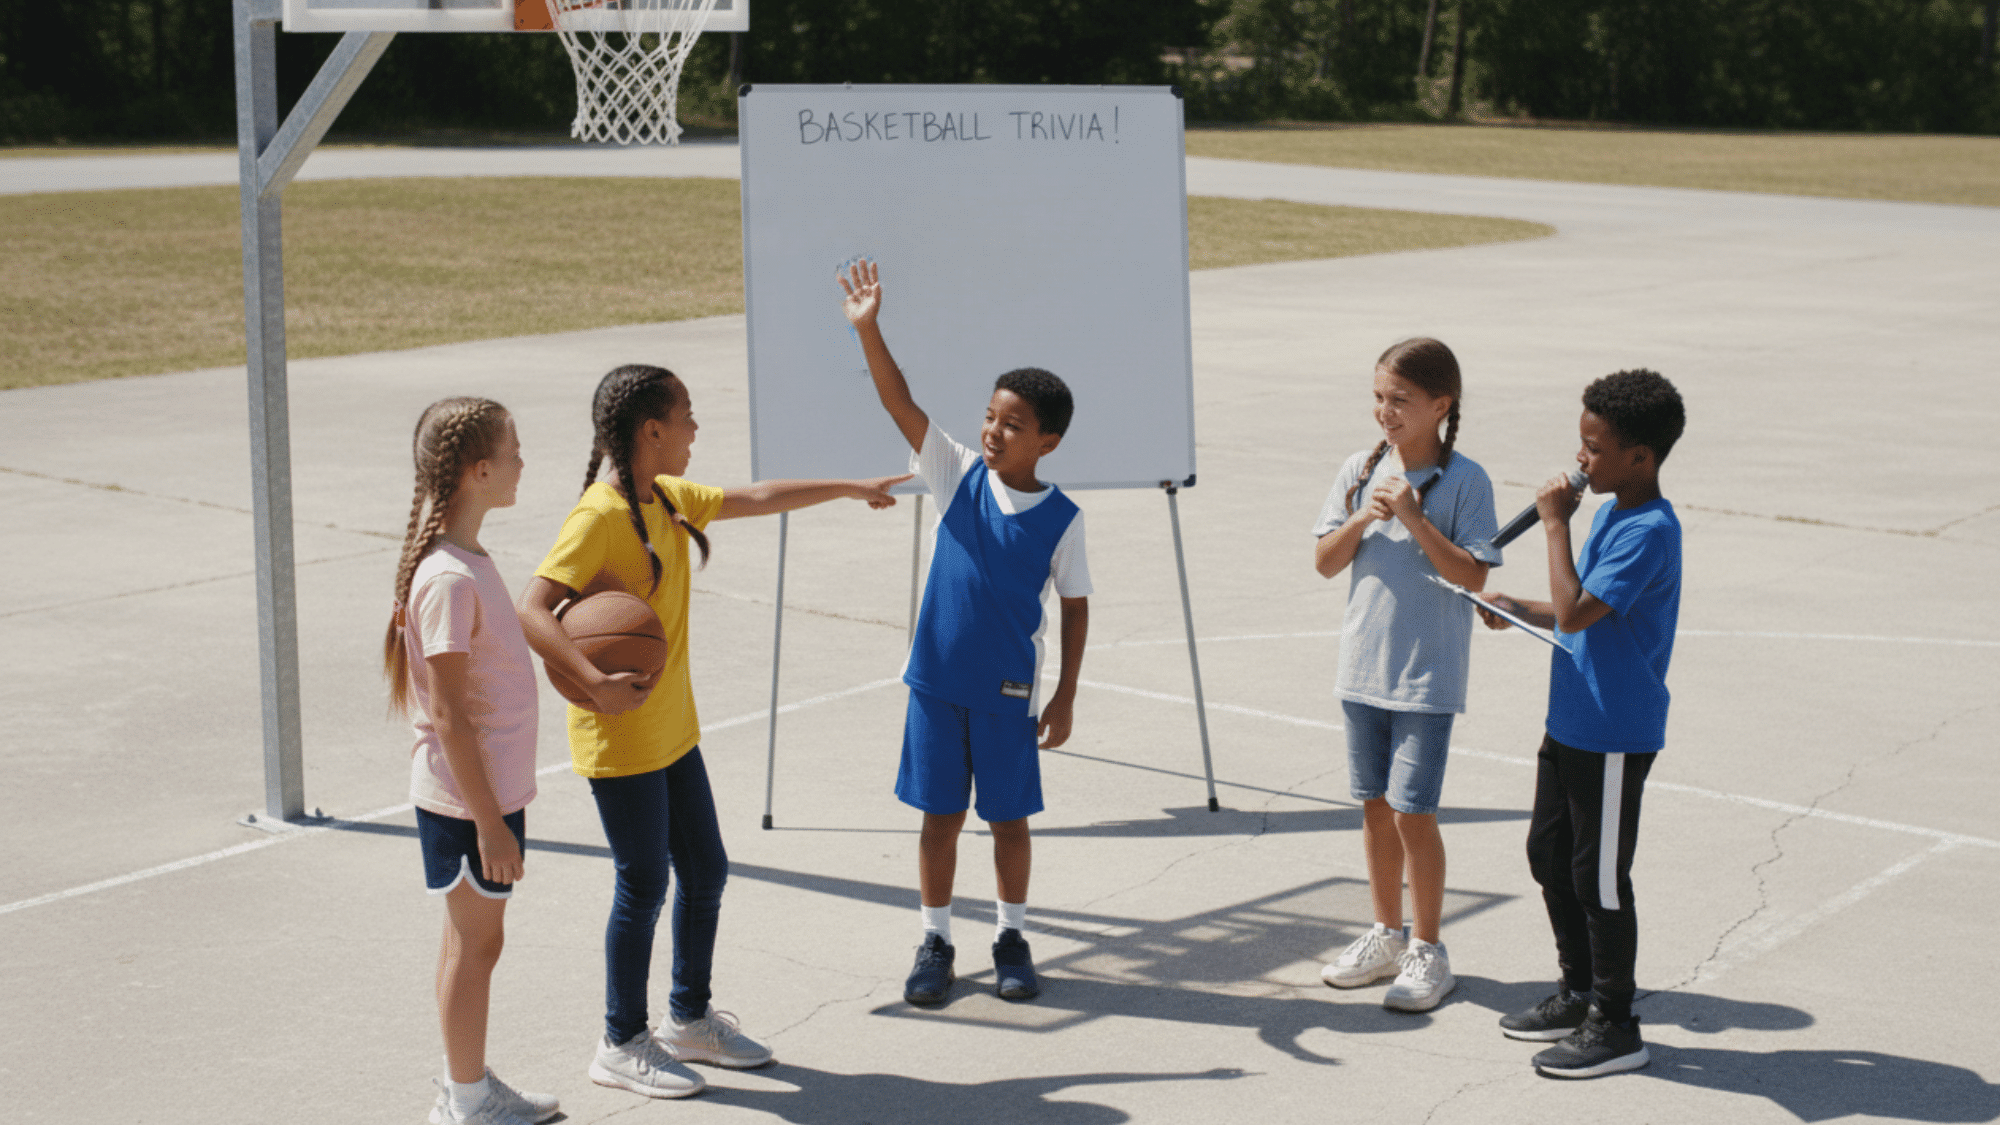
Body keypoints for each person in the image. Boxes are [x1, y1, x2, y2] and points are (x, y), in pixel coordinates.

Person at [517, 363, 907, 1100]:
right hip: (620, 737)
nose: (697, 429)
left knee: (706, 870)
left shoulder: (663, 498)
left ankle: (688, 1018)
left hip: (672, 731)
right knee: (644, 883)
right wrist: (593, 678)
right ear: (651, 430)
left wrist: (849, 487)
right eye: (687, 416)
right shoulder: (598, 516)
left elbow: (755, 496)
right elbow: (532, 608)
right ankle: (620, 1038)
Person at [837, 258, 1091, 1007]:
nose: (993, 430)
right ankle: (936, 937)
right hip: (937, 687)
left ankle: (1011, 933)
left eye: (1013, 424)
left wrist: (1066, 694)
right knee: (938, 818)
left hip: (1008, 694)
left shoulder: (1063, 520)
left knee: (1008, 822)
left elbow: (1076, 608)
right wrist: (868, 328)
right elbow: (898, 401)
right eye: (990, 415)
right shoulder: (953, 475)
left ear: (1047, 441)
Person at [1478, 368, 1686, 1079]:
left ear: (1641, 457)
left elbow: (1577, 612)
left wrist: (1556, 523)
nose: (1580, 461)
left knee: (1600, 878)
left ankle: (1617, 1022)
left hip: (1613, 729)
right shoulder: (1612, 517)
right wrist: (1515, 606)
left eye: (1594, 449)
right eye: (1580, 444)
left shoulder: (1650, 530)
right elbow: (1577, 609)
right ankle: (1577, 990)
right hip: (1571, 718)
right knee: (1548, 854)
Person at [382, 397, 560, 1125]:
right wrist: (490, 824)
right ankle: (467, 1100)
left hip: (481, 795)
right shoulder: (449, 578)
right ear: (479, 470)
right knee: (478, 947)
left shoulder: (463, 560)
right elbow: (452, 714)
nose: (524, 462)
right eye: (515, 451)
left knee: (470, 942)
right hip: (468, 802)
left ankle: (464, 1083)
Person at [1311, 338, 1500, 1013]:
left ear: (1441, 406)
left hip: (1425, 677)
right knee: (1373, 807)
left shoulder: (1467, 481)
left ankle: (1428, 948)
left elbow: (1473, 574)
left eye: (1401, 400)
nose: (1384, 412)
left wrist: (1416, 517)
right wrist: (1365, 512)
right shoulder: (1357, 470)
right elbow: (1325, 561)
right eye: (1379, 397)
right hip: (1361, 670)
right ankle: (1384, 933)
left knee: (1414, 812)